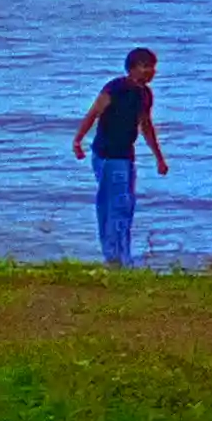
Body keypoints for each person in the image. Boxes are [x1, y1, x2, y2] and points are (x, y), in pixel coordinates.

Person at [70, 47, 170, 267]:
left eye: (153, 67)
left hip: (126, 155)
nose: (150, 71)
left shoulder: (145, 94)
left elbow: (146, 126)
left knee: (125, 205)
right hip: (107, 154)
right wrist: (78, 140)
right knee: (115, 205)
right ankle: (116, 257)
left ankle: (119, 255)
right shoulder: (115, 88)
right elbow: (94, 113)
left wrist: (159, 158)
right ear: (132, 68)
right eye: (145, 66)